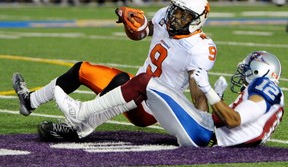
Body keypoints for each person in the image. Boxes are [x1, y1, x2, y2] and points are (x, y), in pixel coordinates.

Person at [13, 0, 220, 140]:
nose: (175, 17)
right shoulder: (164, 17)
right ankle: (30, 100)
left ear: (197, 20)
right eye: (175, 10)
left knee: (128, 80)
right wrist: (133, 23)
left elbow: (198, 95)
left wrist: (201, 126)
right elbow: (143, 32)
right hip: (135, 88)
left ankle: (76, 127)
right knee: (81, 69)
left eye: (183, 15)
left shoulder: (199, 48)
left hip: (153, 107)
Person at [46, 51, 284, 146]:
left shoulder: (265, 87)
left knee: (144, 81)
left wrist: (208, 91)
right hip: (208, 133)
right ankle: (85, 121)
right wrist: (218, 98)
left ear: (260, 70)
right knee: (144, 86)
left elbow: (234, 121)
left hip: (205, 135)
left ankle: (83, 113)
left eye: (247, 68)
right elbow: (235, 123)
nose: (242, 73)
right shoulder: (271, 97)